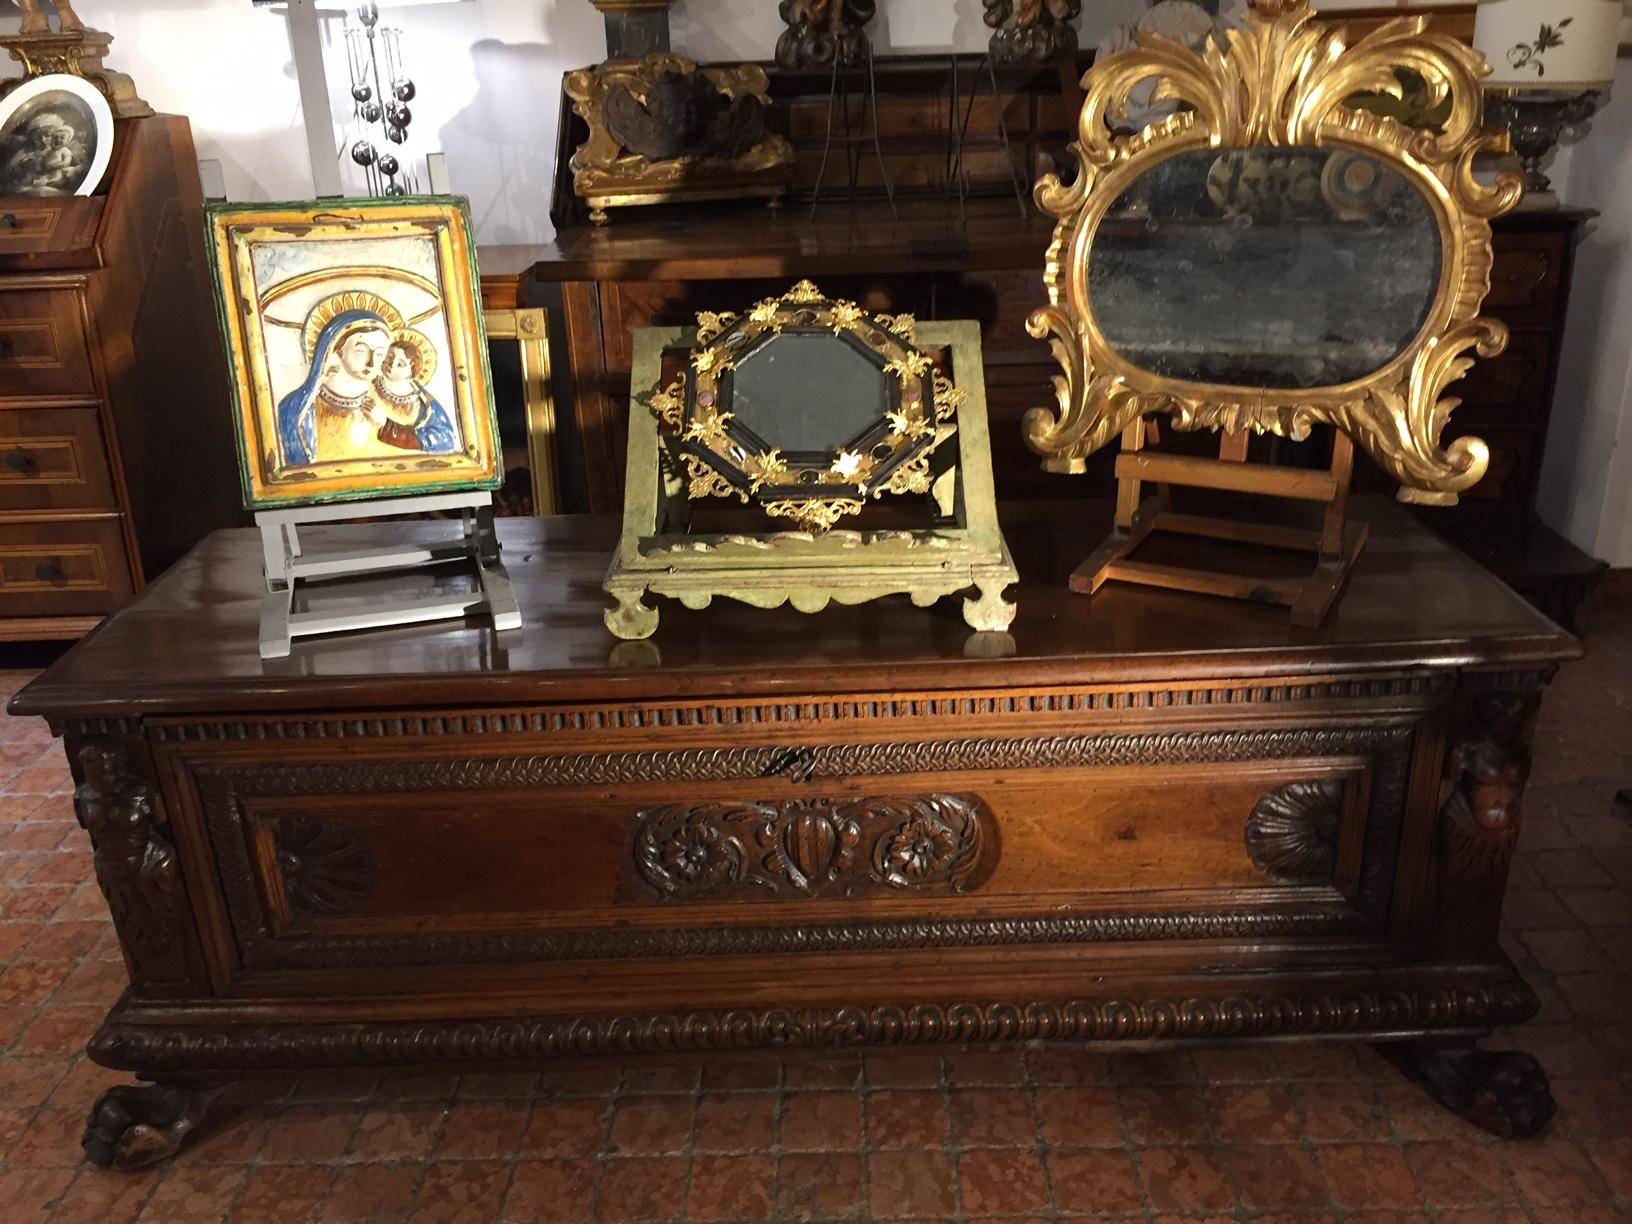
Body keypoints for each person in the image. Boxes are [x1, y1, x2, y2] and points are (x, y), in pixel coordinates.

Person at [276, 308, 395, 466]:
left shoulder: (387, 402)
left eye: (380, 354)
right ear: (336, 350)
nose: (371, 362)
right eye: (360, 352)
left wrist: (385, 424)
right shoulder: (299, 410)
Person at [371, 332, 458, 453]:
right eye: (390, 357)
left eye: (401, 364)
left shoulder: (424, 403)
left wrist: (387, 425)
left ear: (411, 371)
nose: (392, 364)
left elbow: (444, 438)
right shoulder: (369, 383)